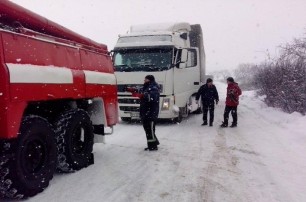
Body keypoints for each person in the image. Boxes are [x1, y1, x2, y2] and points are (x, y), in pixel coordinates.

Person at [126, 75, 160, 151]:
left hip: (151, 112)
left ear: (150, 80)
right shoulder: (147, 86)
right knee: (147, 129)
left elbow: (152, 97)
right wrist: (131, 89)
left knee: (150, 130)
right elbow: (140, 89)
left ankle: (153, 146)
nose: (144, 81)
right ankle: (155, 143)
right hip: (145, 112)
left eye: (145, 80)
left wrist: (142, 95)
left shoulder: (154, 87)